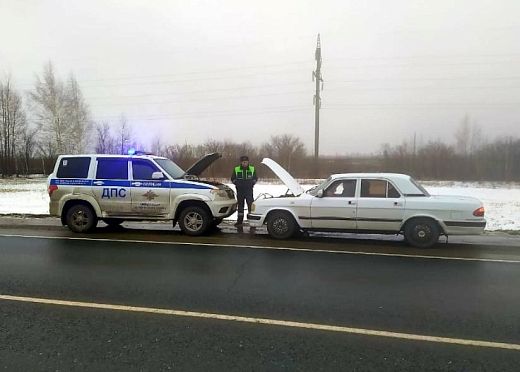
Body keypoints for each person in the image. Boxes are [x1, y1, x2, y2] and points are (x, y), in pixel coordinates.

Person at [231, 155, 258, 226]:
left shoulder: (252, 168)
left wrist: (252, 183)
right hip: (240, 191)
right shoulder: (236, 169)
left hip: (249, 191)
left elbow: (255, 178)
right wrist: (236, 183)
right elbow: (232, 178)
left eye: (246, 162)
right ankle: (239, 221)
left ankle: (252, 221)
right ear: (241, 162)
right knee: (240, 206)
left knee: (250, 205)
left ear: (248, 162)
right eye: (243, 162)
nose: (244, 163)